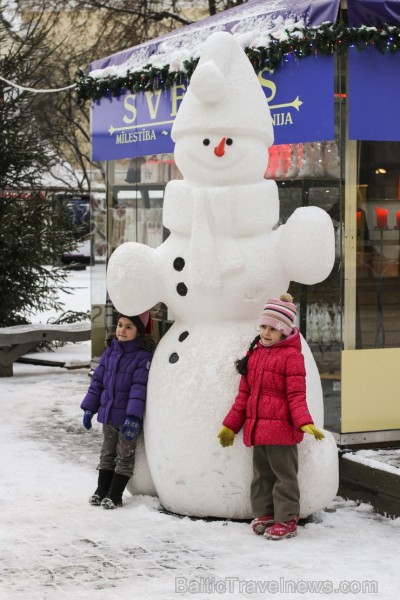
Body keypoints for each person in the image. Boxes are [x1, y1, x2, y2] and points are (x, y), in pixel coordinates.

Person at [218, 294, 324, 540]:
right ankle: (265, 514)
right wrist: (230, 426)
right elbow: (244, 395)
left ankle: (286, 519)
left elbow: (296, 394)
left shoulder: (291, 357)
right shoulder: (255, 354)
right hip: (259, 430)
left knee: (284, 477)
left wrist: (304, 421)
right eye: (263, 326)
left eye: (273, 329)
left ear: (285, 331)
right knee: (262, 476)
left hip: (282, 431)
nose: (266, 332)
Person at [81, 311, 155, 509]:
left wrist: (132, 417)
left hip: (127, 418)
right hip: (109, 414)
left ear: (138, 332)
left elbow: (139, 389)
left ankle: (115, 495)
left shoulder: (142, 357)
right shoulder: (110, 351)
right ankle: (100, 490)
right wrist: (89, 408)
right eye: (120, 325)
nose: (122, 330)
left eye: (129, 327)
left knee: (124, 456)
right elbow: (98, 382)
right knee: (106, 454)